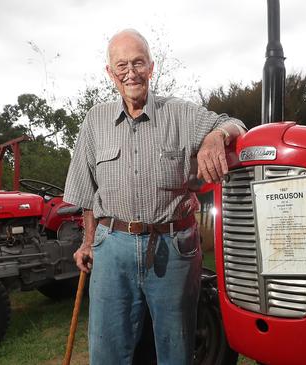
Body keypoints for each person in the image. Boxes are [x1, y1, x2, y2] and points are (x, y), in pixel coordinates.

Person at [63, 28, 246, 365]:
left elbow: (236, 123)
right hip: (111, 250)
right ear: (110, 73)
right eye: (122, 66)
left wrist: (215, 136)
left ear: (151, 67)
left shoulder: (181, 114)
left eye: (138, 63)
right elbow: (87, 193)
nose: (130, 73)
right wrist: (88, 242)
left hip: (172, 248)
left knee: (175, 350)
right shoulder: (95, 121)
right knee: (108, 352)